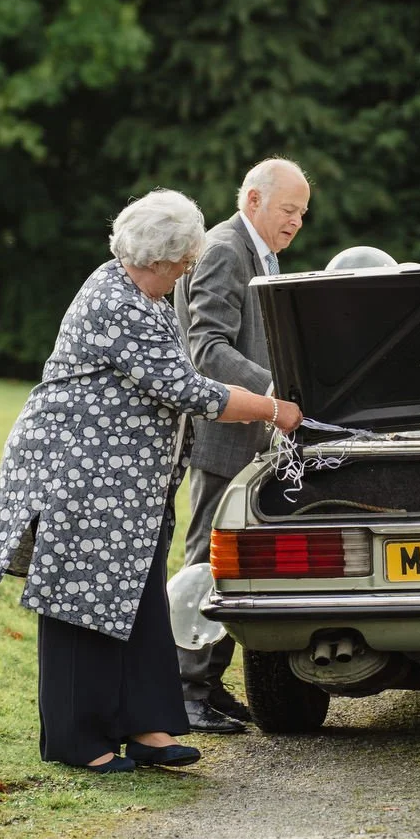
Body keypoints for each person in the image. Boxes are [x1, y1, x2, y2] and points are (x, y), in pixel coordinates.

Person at [0, 189, 302, 773]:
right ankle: (80, 743)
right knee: (80, 605)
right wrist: (271, 408)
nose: (185, 273)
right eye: (180, 264)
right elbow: (186, 389)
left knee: (141, 600)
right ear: (154, 259)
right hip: (79, 476)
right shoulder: (115, 301)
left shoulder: (141, 292)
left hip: (124, 487)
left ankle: (149, 729)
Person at [174, 158, 310, 733]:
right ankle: (185, 692)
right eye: (288, 210)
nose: (297, 221)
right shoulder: (227, 248)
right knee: (206, 560)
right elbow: (204, 348)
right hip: (223, 435)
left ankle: (210, 684)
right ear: (253, 199)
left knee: (234, 561)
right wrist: (272, 389)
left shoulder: (260, 251)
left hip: (252, 432)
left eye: (303, 213)